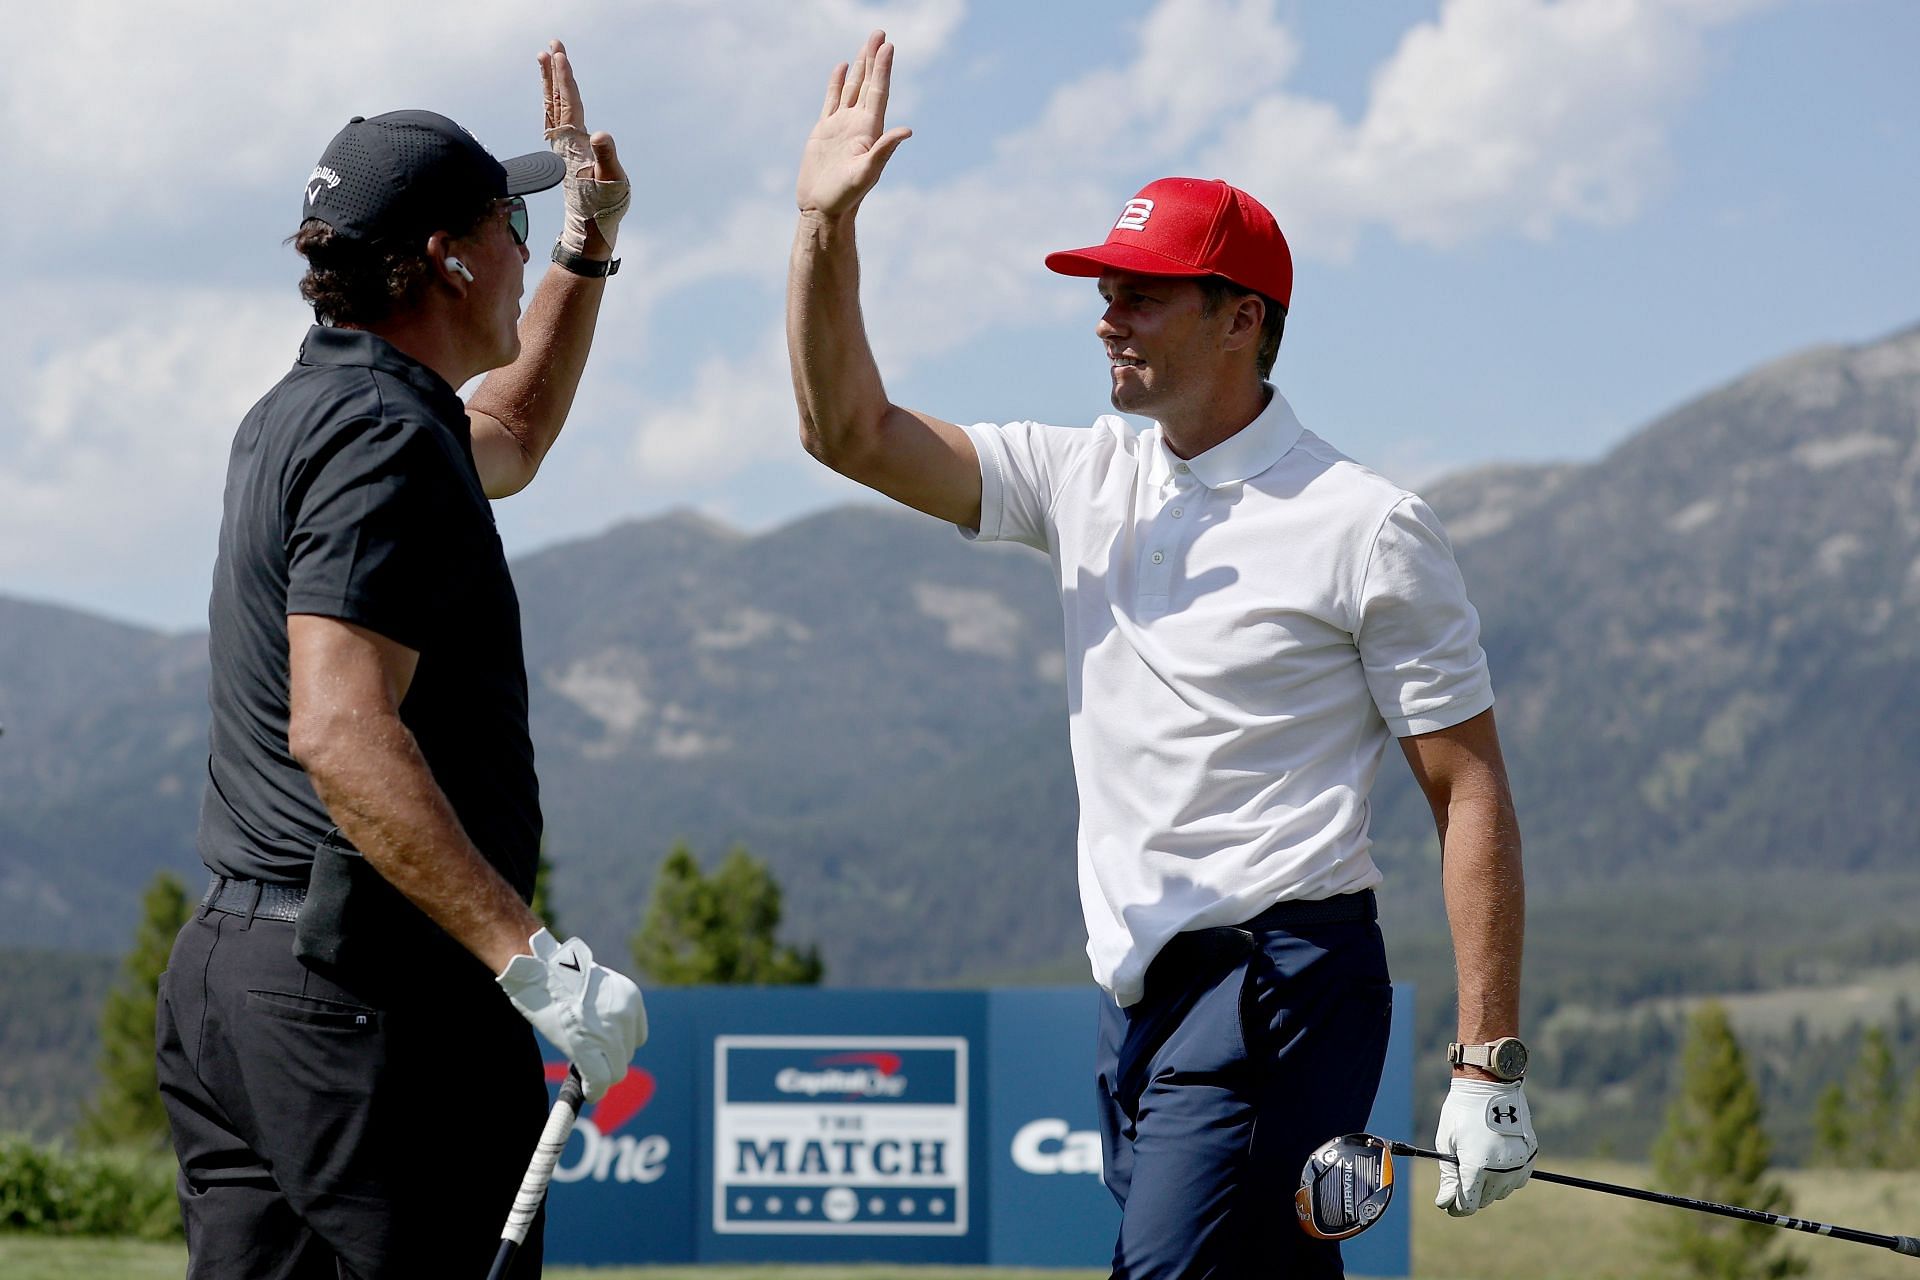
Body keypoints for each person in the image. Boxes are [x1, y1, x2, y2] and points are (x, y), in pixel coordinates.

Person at [787, 30, 1535, 1279]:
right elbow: (848, 432)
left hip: (1277, 981)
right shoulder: (1086, 474)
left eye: (1139, 292)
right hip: (1138, 999)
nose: (1105, 318)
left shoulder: (1365, 522)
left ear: (1242, 319)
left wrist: (1486, 1060)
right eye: (1103, 290)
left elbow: (1468, 789)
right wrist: (823, 229)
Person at [156, 42, 646, 1279]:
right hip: (364, 998)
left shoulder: (316, 408)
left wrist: (590, 245)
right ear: (451, 254)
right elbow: (341, 726)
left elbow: (516, 432)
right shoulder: (384, 434)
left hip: (237, 979)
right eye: (515, 222)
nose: (525, 246)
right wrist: (526, 957)